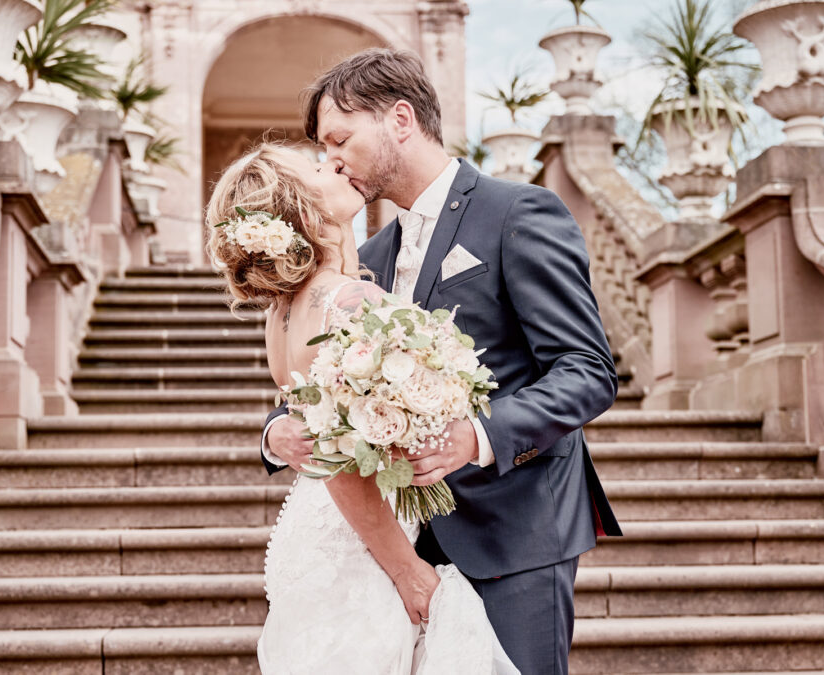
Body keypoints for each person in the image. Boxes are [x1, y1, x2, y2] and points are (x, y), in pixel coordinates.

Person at [262, 48, 622, 675]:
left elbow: (586, 369)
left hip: (516, 532)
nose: (332, 160)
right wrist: (276, 431)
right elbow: (324, 378)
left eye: (340, 138)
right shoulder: (369, 251)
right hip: (400, 547)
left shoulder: (518, 213)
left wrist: (476, 436)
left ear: (400, 119)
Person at [206, 144, 516, 674]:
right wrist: (406, 571)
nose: (336, 163)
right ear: (304, 213)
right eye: (318, 168)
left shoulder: (281, 313)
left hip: (315, 538)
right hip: (361, 544)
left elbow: (320, 432)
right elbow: (338, 462)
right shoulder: (349, 303)